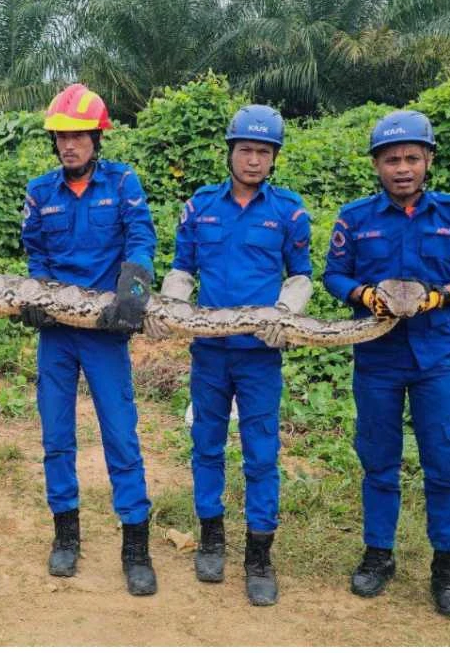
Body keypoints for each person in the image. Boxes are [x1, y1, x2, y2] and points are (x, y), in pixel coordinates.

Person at [323, 110, 450, 618]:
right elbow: (334, 275)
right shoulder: (355, 218)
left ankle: (447, 566)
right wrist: (363, 294)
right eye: (391, 159)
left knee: (445, 460)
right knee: (379, 459)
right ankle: (378, 554)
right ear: (377, 165)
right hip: (376, 357)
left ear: (428, 160)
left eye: (412, 158)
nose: (402, 168)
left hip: (435, 357)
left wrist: (443, 295)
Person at [149, 105, 312, 606]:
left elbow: (300, 277)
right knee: (207, 446)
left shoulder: (289, 211)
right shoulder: (200, 206)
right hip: (210, 352)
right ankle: (212, 539)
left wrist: (285, 315)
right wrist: (171, 308)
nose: (254, 160)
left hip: (261, 354)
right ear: (230, 152)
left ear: (274, 158)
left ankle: (259, 556)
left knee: (261, 453)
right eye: (246, 150)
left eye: (263, 152)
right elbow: (182, 270)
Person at [19, 83, 159, 596]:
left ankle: (135, 547)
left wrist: (134, 288)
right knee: (56, 436)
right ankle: (66, 535)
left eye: (78, 136)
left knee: (120, 435)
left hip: (105, 331)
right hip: (58, 335)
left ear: (96, 139)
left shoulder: (122, 182)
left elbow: (140, 237)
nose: (69, 145)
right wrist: (36, 293)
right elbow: (35, 250)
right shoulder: (40, 191)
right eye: (61, 137)